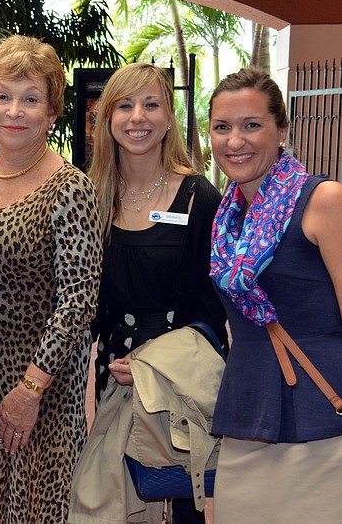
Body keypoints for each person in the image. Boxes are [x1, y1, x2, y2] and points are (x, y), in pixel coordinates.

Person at [0, 35, 103, 523]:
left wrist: (31, 390)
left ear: (52, 112)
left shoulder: (70, 187)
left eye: (30, 99)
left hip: (42, 390)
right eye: (3, 96)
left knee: (38, 511)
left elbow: (79, 300)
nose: (15, 110)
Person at [86, 62, 227, 523]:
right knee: (114, 501)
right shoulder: (94, 196)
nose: (138, 117)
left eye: (151, 104)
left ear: (169, 117)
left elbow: (211, 305)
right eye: (125, 105)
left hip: (178, 380)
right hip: (113, 377)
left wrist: (153, 364)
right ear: (107, 118)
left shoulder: (199, 197)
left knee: (183, 495)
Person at [208, 68, 342, 523]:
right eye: (222, 127)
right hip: (247, 415)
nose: (235, 141)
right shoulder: (226, 220)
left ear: (281, 131)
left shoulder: (323, 200)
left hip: (322, 420)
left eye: (252, 125)